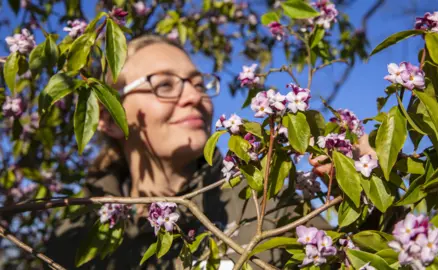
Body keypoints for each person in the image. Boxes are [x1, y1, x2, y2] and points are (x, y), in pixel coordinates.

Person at [45, 34, 338, 269]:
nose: (195, 96)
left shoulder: (261, 200)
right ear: (109, 118)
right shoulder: (74, 236)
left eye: (199, 83)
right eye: (164, 84)